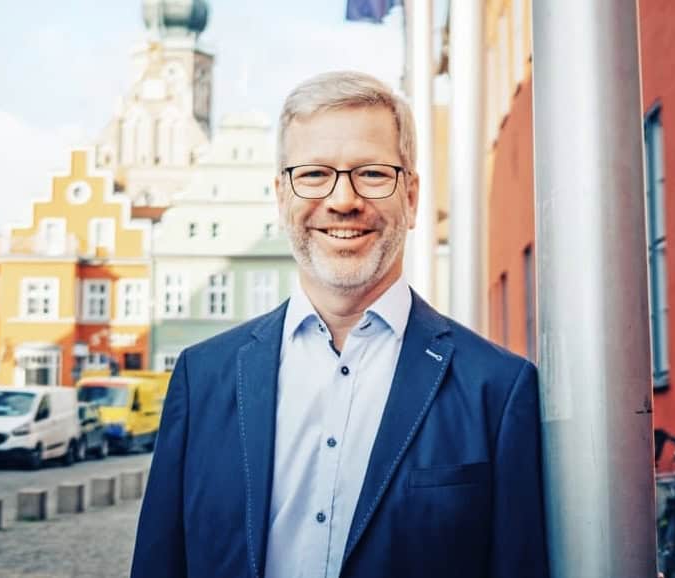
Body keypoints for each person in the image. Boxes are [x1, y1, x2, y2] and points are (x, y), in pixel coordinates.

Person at [131, 71, 548, 578]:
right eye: (313, 174)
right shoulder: (203, 378)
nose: (343, 200)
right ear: (282, 196)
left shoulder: (498, 390)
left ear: (411, 198)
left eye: (372, 173)